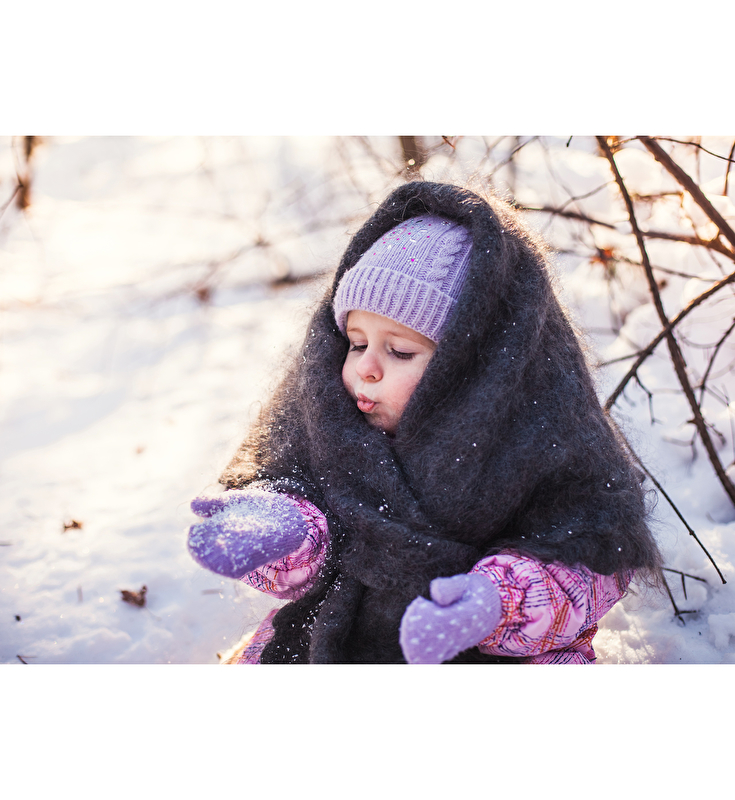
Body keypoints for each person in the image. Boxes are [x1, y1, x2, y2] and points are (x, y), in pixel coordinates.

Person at [188, 180, 662, 664]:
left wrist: (494, 604)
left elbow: (589, 561)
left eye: (399, 351)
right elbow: (306, 496)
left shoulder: (544, 440)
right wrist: (284, 529)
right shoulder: (336, 426)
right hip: (343, 626)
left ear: (475, 368)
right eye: (356, 343)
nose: (366, 367)